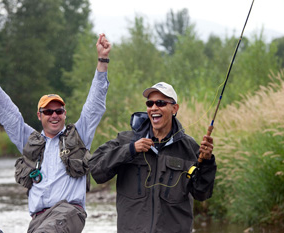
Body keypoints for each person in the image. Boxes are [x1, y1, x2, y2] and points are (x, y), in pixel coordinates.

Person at [0, 33, 111, 233]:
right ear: (39, 116)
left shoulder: (79, 135)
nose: (54, 115)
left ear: (65, 114)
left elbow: (95, 105)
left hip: (69, 213)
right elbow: (8, 114)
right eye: (48, 111)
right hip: (38, 219)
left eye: (58, 111)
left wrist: (103, 61)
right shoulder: (29, 141)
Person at [89, 82, 217, 233]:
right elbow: (96, 169)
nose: (154, 108)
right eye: (150, 103)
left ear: (174, 108)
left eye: (161, 103)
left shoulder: (190, 149)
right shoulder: (126, 141)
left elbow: (201, 193)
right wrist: (130, 150)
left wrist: (207, 162)